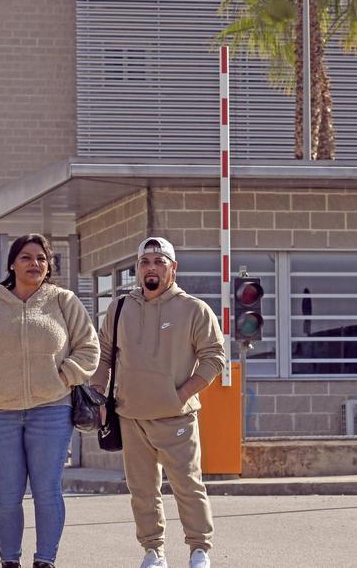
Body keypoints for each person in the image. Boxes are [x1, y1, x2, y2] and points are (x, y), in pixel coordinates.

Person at [0, 233, 99, 568]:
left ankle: (45, 559)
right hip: (2, 410)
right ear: (12, 263)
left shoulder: (63, 301)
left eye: (41, 258)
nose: (34, 264)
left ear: (48, 265)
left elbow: (89, 348)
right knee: (6, 493)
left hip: (52, 409)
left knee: (47, 489)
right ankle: (9, 560)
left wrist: (63, 377)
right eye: (26, 257)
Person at [91, 237, 225, 568]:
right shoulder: (120, 307)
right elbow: (103, 353)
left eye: (159, 261)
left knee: (188, 487)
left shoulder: (194, 309)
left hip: (176, 418)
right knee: (142, 491)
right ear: (138, 268)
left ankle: (199, 549)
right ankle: (153, 550)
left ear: (173, 268)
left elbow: (214, 357)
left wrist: (181, 394)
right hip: (130, 417)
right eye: (145, 262)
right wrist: (98, 393)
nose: (152, 267)